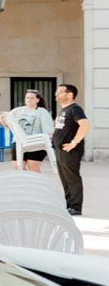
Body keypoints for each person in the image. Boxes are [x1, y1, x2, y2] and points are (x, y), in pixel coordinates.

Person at [54, 83, 90, 215]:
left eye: (60, 92)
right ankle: (69, 205)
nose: (56, 94)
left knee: (72, 178)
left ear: (70, 94)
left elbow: (85, 124)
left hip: (70, 150)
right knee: (65, 179)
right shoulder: (64, 110)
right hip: (60, 151)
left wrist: (74, 142)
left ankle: (75, 207)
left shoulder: (75, 109)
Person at [14, 90, 52, 172]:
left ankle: (37, 185)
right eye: (27, 97)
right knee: (18, 169)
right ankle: (23, 185)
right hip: (18, 143)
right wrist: (3, 119)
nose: (29, 99)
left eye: (32, 98)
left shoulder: (42, 112)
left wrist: (48, 143)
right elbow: (5, 118)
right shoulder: (18, 110)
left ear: (37, 100)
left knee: (33, 170)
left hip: (35, 143)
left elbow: (49, 131)